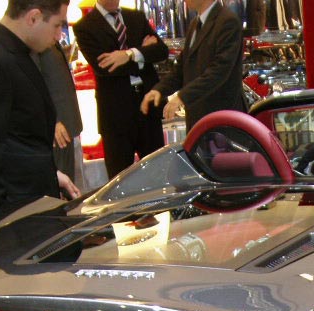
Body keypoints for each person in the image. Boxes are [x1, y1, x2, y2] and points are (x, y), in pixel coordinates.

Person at [0, 0, 79, 218]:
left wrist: (51, 175)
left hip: (29, 204)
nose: (59, 35)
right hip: (14, 217)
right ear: (33, 18)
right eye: (57, 25)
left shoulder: (12, 52)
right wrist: (0, 225)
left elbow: (19, 142)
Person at [73, 1, 168, 178]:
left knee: (158, 173)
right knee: (119, 178)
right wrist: (143, 53)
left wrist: (129, 54)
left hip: (148, 107)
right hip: (115, 114)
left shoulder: (136, 17)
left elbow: (161, 51)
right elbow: (104, 68)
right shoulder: (85, 26)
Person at [140, 0, 245, 132]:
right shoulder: (195, 24)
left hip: (222, 118)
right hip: (199, 119)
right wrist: (160, 90)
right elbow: (183, 68)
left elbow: (219, 71)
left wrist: (183, 96)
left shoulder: (228, 21)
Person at [39, 34, 84, 185]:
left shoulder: (48, 41)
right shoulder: (37, 42)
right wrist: (54, 120)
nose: (59, 30)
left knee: (68, 179)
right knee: (61, 182)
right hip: (58, 128)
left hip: (66, 123)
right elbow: (36, 85)